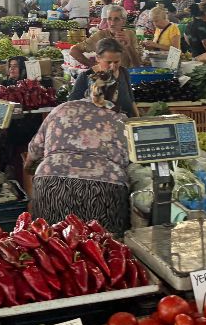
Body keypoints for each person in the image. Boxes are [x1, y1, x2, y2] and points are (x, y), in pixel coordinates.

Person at [26, 70, 131, 235]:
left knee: (51, 245)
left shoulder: (60, 110)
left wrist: (29, 168)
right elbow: (131, 161)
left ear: (87, 90)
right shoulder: (120, 120)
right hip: (105, 189)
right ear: (115, 94)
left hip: (51, 184)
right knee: (104, 249)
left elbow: (34, 151)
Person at [68, 38, 139, 118]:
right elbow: (72, 105)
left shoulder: (124, 72)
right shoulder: (85, 77)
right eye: (108, 62)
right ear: (98, 58)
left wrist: (137, 119)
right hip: (100, 125)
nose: (113, 66)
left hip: (127, 122)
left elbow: (131, 100)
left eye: (116, 62)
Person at [70, 6, 143, 69]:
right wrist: (93, 65)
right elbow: (73, 50)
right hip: (106, 78)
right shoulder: (100, 35)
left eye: (116, 19)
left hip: (126, 76)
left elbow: (137, 65)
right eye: (109, 19)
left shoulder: (130, 34)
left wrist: (129, 46)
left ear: (123, 21)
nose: (112, 23)